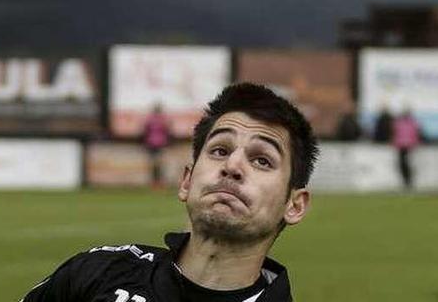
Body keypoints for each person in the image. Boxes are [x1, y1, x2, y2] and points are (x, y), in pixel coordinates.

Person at [22, 82, 318, 301]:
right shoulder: (97, 272)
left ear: (294, 205)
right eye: (219, 150)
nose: (232, 165)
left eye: (262, 160)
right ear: (187, 181)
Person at [142, 104, 172, 188]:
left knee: (155, 164)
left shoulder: (150, 119)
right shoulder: (163, 119)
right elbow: (168, 131)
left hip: (152, 143)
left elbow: (145, 131)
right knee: (159, 164)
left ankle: (156, 182)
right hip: (159, 143)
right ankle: (158, 182)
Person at [392, 108, 421, 190]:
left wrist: (415, 143)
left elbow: (416, 135)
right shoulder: (401, 123)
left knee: (406, 164)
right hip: (402, 146)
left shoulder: (411, 123)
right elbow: (395, 134)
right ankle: (406, 181)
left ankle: (408, 181)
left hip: (408, 146)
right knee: (403, 164)